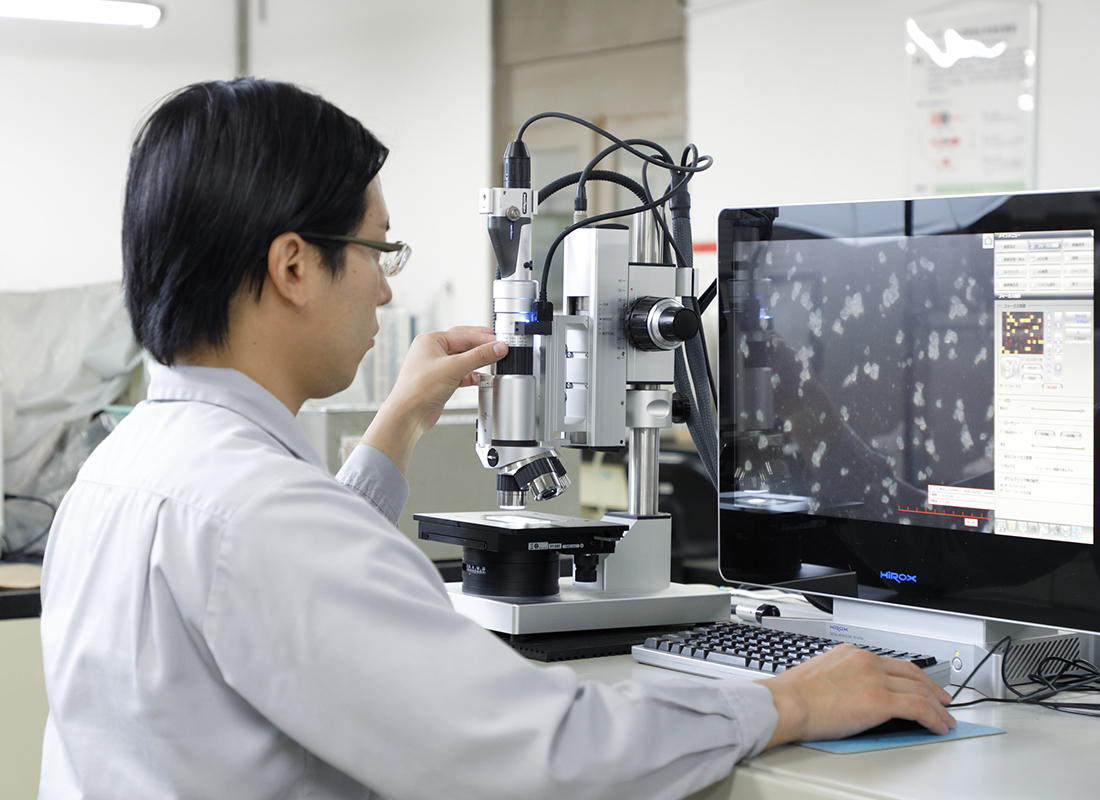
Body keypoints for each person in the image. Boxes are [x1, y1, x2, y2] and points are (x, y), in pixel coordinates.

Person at [38, 78, 954, 800]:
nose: (386, 290)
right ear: (293, 266)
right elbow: (543, 756)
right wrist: (787, 700)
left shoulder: (122, 472)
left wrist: (397, 427)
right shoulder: (260, 519)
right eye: (378, 252)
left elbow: (278, 601)